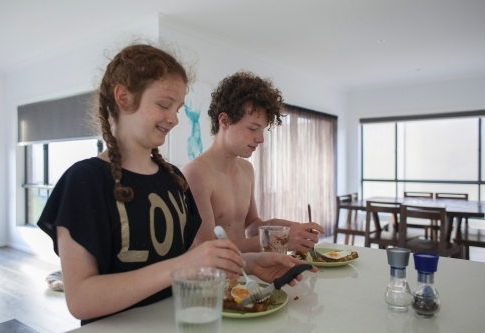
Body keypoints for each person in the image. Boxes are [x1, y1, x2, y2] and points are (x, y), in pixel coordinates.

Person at [38, 42, 316, 325]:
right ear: (123, 97)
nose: (173, 119)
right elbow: (81, 300)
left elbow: (194, 261)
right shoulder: (84, 181)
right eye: (163, 105)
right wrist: (184, 265)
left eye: (178, 108)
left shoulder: (173, 180)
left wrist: (252, 263)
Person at [182, 71, 325, 253]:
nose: (260, 139)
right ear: (224, 121)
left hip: (245, 274)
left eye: (262, 130)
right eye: (252, 128)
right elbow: (207, 247)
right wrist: (279, 240)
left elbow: (251, 225)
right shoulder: (195, 173)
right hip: (214, 279)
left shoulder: (246, 169)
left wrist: (290, 229)